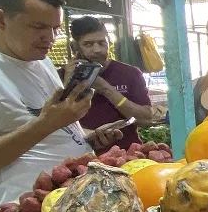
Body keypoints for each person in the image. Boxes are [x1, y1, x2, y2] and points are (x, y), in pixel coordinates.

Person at [0, 0, 123, 209]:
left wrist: (89, 136)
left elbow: (46, 128)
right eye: (38, 27)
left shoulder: (41, 59)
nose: (50, 38)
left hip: (76, 200)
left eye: (55, 28)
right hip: (27, 211)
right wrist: (46, 124)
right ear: (1, 19)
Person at [69, 15, 161, 148]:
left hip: (127, 155)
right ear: (74, 48)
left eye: (102, 43)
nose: (97, 50)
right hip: (81, 157)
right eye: (88, 44)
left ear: (109, 43)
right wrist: (68, 84)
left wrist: (106, 88)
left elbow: (145, 119)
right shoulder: (61, 76)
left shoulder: (130, 73)